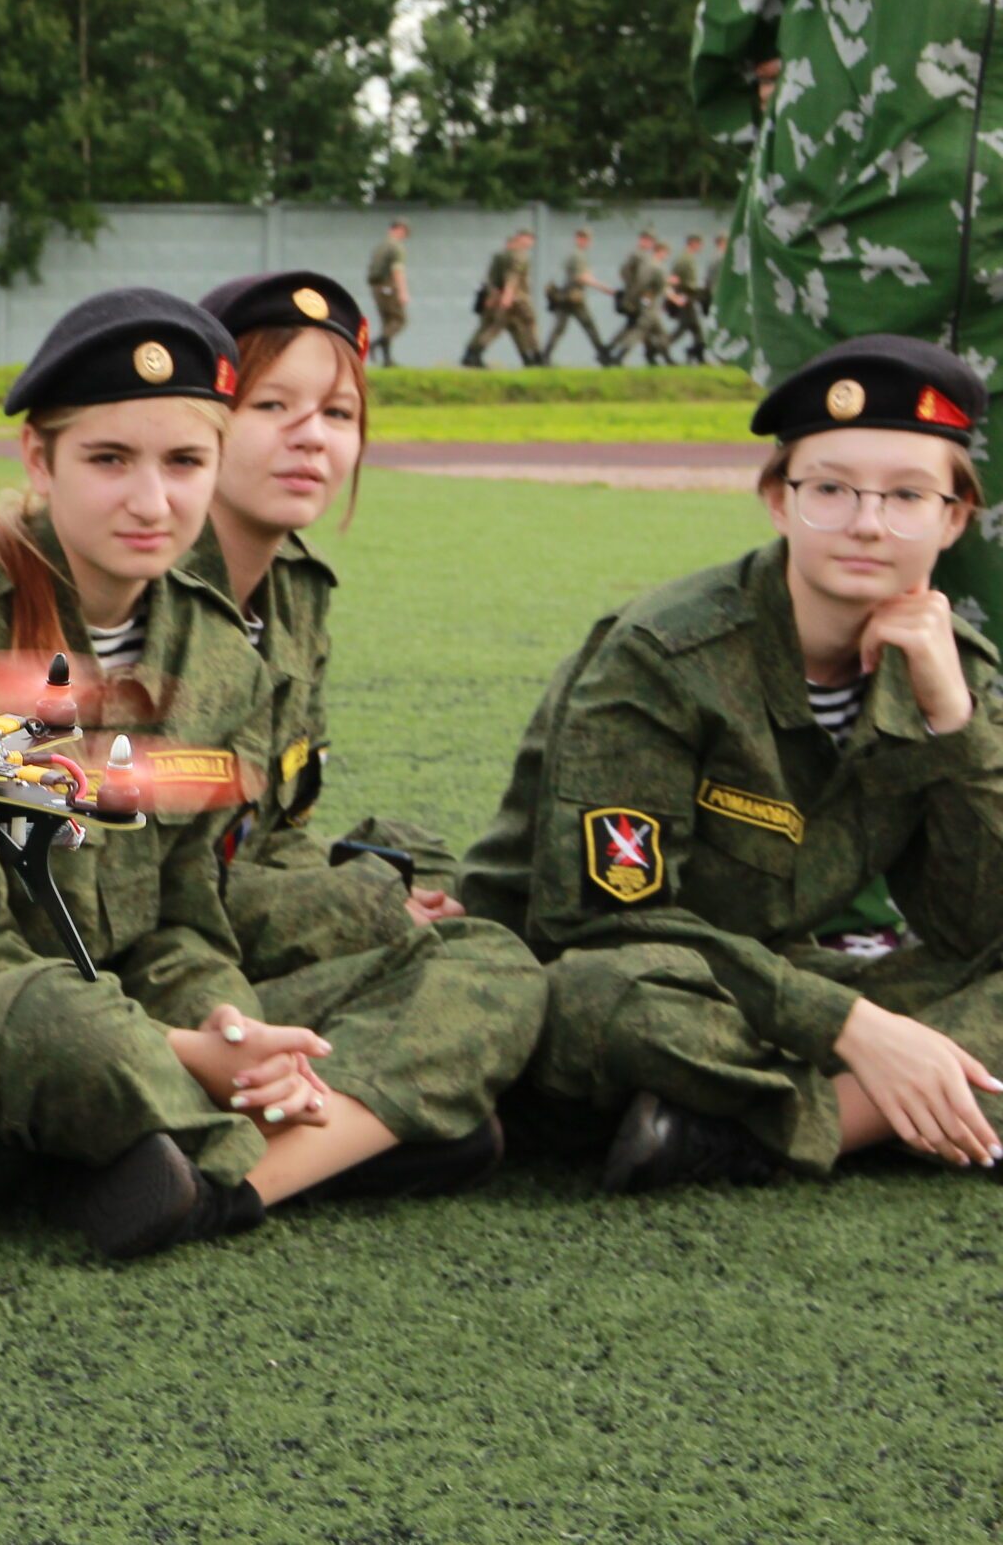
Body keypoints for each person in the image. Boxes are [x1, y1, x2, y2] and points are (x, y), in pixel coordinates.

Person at [0, 288, 545, 1260]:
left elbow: (185, 919)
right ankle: (330, 1133)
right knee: (66, 1027)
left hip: (129, 1015)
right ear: (37, 458)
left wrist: (225, 1018)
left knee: (488, 967)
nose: (151, 501)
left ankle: (204, 1178)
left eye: (184, 462)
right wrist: (194, 1054)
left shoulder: (214, 654)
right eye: (109, 460)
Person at [460, 335, 1003, 1192]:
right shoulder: (664, 654)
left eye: (907, 495)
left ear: (954, 517)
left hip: (772, 986)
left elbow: (980, 927)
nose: (867, 522)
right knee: (614, 1002)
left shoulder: (956, 675)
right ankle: (875, 1108)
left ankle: (733, 1131)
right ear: (778, 501)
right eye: (830, 488)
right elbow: (602, 922)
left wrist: (954, 723)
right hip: (610, 976)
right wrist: (854, 1027)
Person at [694, 0, 1002, 644]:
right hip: (854, 202)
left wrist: (739, 72)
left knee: (850, 520)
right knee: (859, 529)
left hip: (850, 179)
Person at [186, 271, 494, 977]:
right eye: (270, 404)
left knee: (440, 870)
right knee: (472, 966)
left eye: (338, 413)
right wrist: (359, 908)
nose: (312, 439)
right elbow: (151, 889)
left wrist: (368, 889)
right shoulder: (147, 588)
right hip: (164, 950)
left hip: (245, 891)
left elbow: (278, 830)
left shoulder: (295, 585)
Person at [462, 230, 540, 368]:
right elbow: (511, 278)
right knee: (521, 324)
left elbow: (491, 278)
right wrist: (506, 296)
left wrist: (491, 295)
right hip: (514, 298)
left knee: (511, 328)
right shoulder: (517, 256)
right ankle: (536, 356)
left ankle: (528, 358)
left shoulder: (499, 256)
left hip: (497, 297)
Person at [540, 228, 614, 366]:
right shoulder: (577, 256)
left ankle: (545, 356)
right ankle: (603, 355)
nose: (586, 241)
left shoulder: (575, 255)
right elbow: (582, 277)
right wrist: (604, 288)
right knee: (589, 325)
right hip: (574, 297)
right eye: (583, 238)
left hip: (565, 297)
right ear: (577, 239)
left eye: (587, 239)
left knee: (559, 328)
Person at [605, 232, 672, 368]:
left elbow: (629, 275)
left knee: (643, 331)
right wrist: (647, 300)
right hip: (651, 306)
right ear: (661, 252)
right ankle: (619, 356)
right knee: (641, 331)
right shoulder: (656, 267)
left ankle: (660, 359)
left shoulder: (647, 264)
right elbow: (656, 288)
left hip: (645, 303)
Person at [365, 219, 410, 366]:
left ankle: (387, 359)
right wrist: (403, 291)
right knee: (399, 320)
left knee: (387, 322)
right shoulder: (395, 247)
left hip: (377, 288)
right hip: (389, 287)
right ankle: (375, 344)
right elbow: (397, 271)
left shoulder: (381, 246)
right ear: (400, 230)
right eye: (405, 232)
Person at [666, 234, 710, 365]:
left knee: (695, 328)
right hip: (685, 297)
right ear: (693, 243)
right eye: (700, 243)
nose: (701, 247)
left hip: (683, 296)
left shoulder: (683, 258)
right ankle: (660, 347)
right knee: (684, 327)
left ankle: (698, 356)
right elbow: (686, 282)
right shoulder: (687, 259)